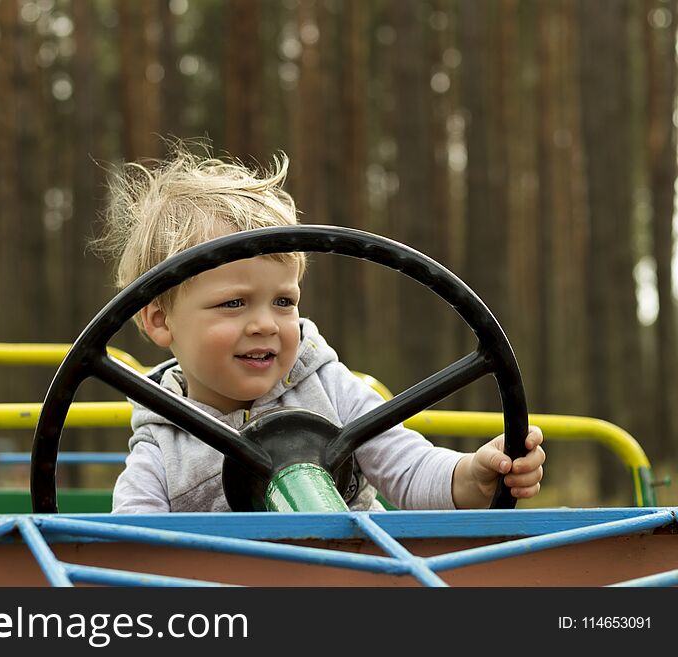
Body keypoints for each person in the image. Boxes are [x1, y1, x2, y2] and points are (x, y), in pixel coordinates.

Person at [94, 143, 545, 513]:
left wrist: (474, 476)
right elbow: (131, 550)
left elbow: (410, 471)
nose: (265, 325)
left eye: (283, 302)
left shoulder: (327, 386)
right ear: (159, 320)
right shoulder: (162, 441)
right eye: (233, 303)